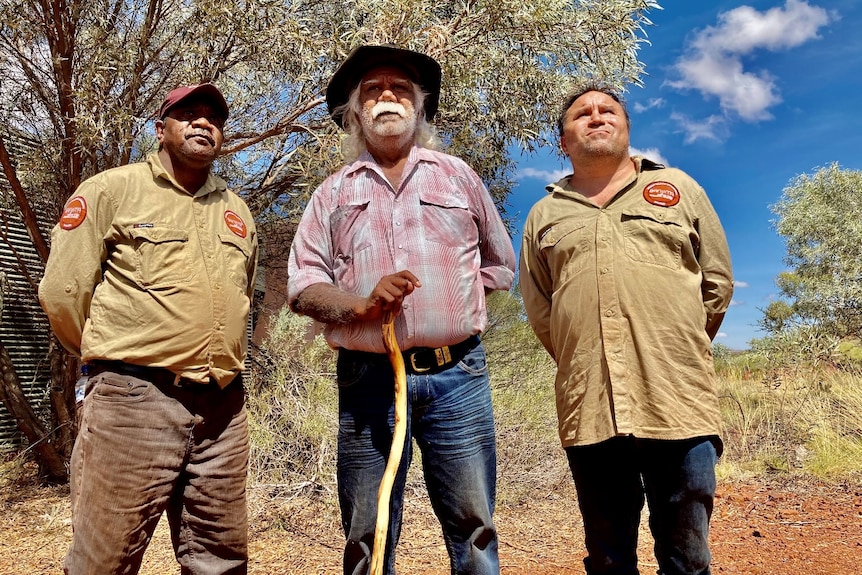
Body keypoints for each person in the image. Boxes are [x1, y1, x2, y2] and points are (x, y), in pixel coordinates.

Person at [288, 45, 515, 575]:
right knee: (368, 531)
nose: (386, 96)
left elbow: (499, 263)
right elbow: (303, 284)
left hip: (458, 376)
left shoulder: (458, 177)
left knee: (473, 527)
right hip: (368, 381)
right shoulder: (331, 194)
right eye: (372, 90)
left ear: (419, 106)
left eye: (399, 89)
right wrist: (361, 306)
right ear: (354, 111)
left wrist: (451, 304)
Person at [39, 82, 258, 575]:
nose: (204, 123)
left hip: (223, 410)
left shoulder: (237, 212)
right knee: (104, 562)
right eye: (189, 114)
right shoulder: (111, 190)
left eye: (214, 118)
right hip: (131, 405)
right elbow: (63, 294)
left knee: (220, 561)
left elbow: (241, 296)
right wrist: (110, 360)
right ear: (161, 130)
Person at [519, 83, 734, 575]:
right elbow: (543, 313)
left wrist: (673, 347)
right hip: (590, 404)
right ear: (563, 139)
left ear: (627, 127)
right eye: (581, 114)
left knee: (687, 556)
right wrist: (587, 357)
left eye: (607, 110)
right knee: (609, 555)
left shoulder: (680, 188)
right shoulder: (544, 215)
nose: (596, 117)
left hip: (677, 397)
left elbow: (716, 284)